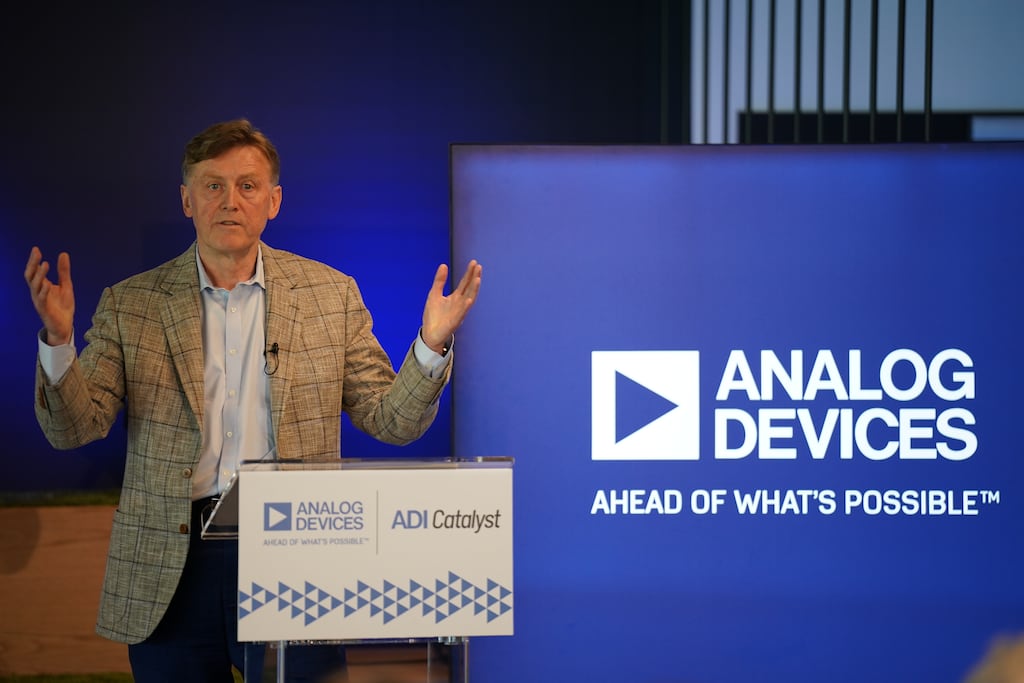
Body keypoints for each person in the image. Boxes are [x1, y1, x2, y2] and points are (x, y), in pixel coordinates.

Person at [23, 118, 482, 682]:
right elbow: (75, 428)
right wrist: (58, 342)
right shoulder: (132, 304)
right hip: (173, 564)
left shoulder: (330, 295)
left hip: (297, 554)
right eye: (212, 185)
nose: (230, 200)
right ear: (187, 200)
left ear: (274, 200)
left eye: (247, 185)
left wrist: (430, 345)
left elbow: (391, 420)